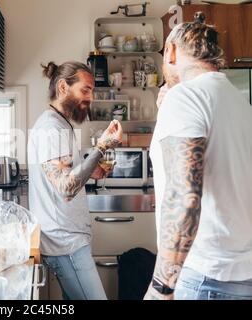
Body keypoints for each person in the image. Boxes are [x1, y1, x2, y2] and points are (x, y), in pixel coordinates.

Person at [144, 13, 252, 300]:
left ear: (171, 51)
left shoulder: (185, 98)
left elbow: (184, 196)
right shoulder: (239, 102)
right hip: (241, 273)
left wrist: (161, 287)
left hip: (204, 278)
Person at [28, 61, 123, 300]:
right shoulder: (51, 128)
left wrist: (92, 170)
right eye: (85, 89)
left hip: (69, 239)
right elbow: (65, 189)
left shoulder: (61, 123)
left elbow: (68, 173)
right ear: (63, 87)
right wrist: (102, 147)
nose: (90, 97)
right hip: (64, 243)